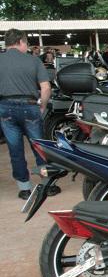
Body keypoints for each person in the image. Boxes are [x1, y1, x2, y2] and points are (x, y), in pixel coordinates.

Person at [0, 29, 60, 199]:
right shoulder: (33, 60)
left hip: (5, 108)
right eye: (26, 43)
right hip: (30, 106)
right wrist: (43, 106)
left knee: (15, 149)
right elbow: (46, 88)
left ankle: (25, 188)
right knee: (39, 147)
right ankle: (47, 185)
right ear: (20, 41)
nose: (27, 46)